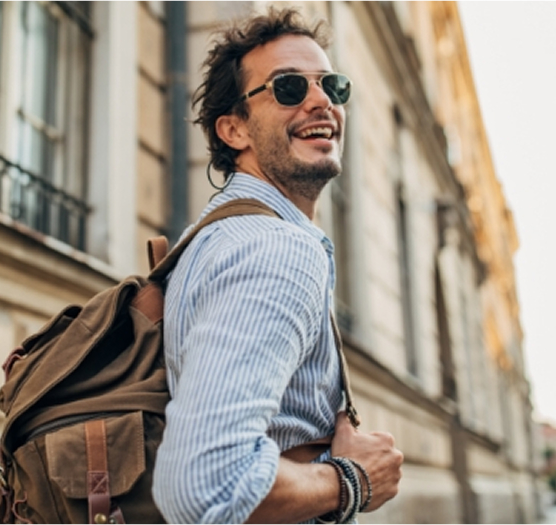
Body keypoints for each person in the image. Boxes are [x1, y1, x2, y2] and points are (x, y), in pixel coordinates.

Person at [152, 7, 403, 524]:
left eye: (332, 86)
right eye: (288, 87)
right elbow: (205, 485)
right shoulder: (274, 247)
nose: (321, 101)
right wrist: (354, 480)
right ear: (234, 129)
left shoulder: (216, 237)